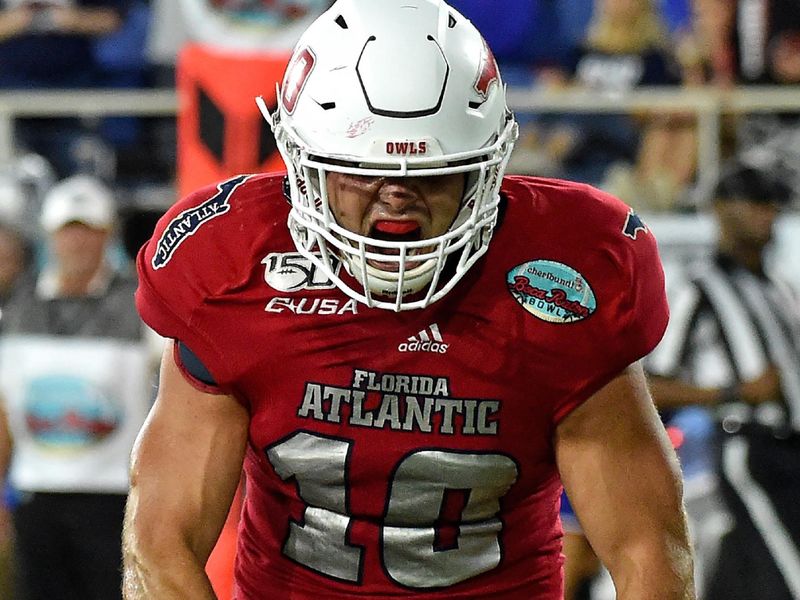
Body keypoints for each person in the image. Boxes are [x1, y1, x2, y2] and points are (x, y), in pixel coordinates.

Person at [122, 1, 695, 598]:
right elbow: (164, 541)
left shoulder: (568, 274)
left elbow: (646, 550)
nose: (395, 196)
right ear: (299, 165)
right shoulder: (233, 266)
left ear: (488, 169)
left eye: (433, 173)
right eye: (360, 170)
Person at [646, 161, 800, 600]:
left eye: (771, 204)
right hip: (744, 447)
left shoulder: (780, 289)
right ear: (719, 209)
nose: (765, 214)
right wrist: (733, 393)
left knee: (739, 578)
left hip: (790, 449)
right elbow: (647, 385)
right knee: (788, 573)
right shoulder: (697, 286)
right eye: (752, 203)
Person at [0, 174, 154, 600]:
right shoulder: (17, 307)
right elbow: (3, 407)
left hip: (115, 497)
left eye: (89, 232)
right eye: (69, 232)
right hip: (36, 494)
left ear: (108, 236)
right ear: (51, 236)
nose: (78, 243)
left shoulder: (142, 306)